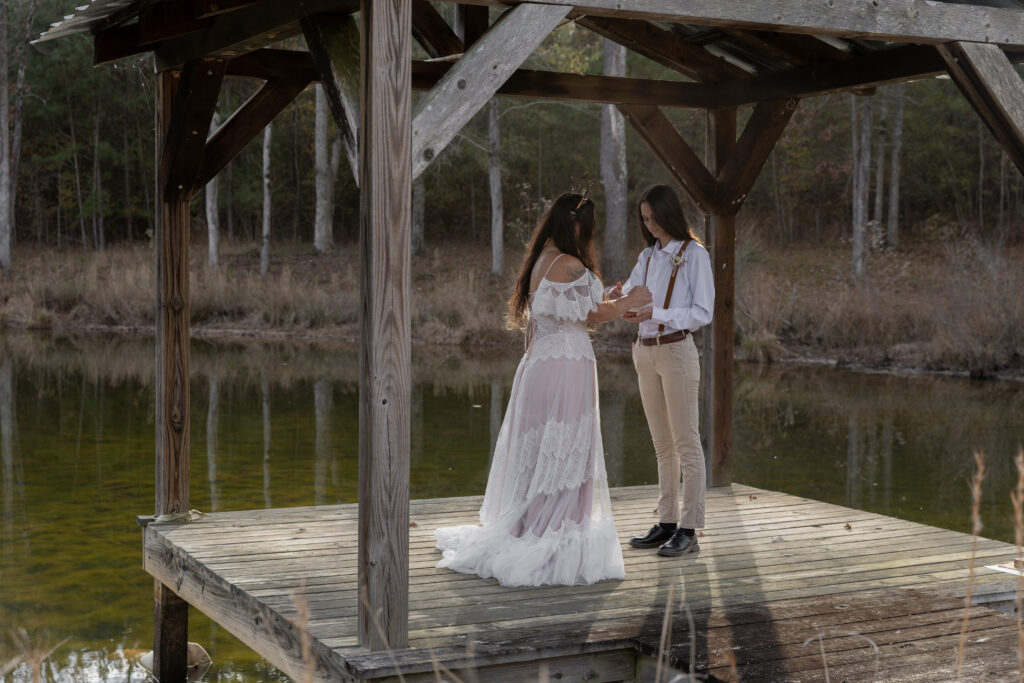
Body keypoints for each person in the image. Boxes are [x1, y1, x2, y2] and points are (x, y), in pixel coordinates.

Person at [434, 192, 652, 587]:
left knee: (541, 449)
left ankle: (529, 522)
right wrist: (630, 300)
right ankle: (556, 528)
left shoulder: (539, 261)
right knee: (568, 444)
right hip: (567, 368)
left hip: (539, 366)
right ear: (576, 226)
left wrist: (610, 300)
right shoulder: (569, 264)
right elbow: (594, 314)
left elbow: (574, 308)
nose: (589, 237)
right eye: (587, 229)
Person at [617, 184, 714, 557]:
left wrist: (655, 313)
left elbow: (702, 313)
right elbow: (630, 292)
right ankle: (668, 521)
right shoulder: (647, 256)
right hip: (644, 352)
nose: (650, 225)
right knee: (661, 444)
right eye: (644, 219)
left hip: (676, 352)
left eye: (654, 217)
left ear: (669, 213)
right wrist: (617, 300)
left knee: (686, 441)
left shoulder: (695, 255)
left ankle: (689, 529)